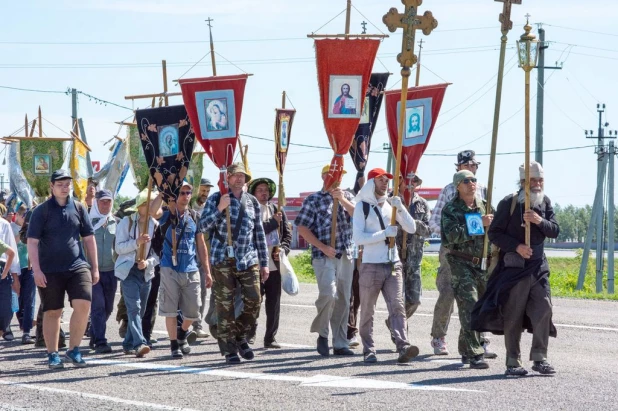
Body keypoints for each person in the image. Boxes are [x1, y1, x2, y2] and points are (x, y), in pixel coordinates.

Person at [473, 161, 559, 376]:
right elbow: (495, 233)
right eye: (533, 180)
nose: (537, 184)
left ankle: (540, 358)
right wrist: (517, 246)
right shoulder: (509, 203)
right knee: (513, 314)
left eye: (540, 180)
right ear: (523, 182)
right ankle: (513, 361)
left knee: (544, 309)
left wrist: (539, 221)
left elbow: (555, 231)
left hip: (538, 267)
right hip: (514, 268)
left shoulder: (545, 202)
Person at [27, 169, 99, 369]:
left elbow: (89, 238)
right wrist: (37, 271)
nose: (64, 187)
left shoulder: (78, 207)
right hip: (49, 269)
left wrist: (95, 268)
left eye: (67, 183)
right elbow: (32, 242)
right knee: (53, 311)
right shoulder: (41, 211)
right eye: (60, 184)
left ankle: (74, 350)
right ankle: (52, 354)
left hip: (77, 265)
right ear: (51, 186)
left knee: (84, 304)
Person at [427, 149, 495, 358]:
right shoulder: (449, 191)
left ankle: (481, 339)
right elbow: (435, 222)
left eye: (475, 167)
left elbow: (491, 218)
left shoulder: (484, 190)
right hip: (453, 251)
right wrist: (458, 231)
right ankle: (439, 336)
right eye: (468, 166)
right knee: (448, 293)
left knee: (481, 295)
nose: (472, 173)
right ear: (459, 168)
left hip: (480, 250)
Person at [199, 163, 268, 364]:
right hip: (223, 258)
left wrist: (264, 263)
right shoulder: (216, 198)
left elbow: (259, 233)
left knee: (254, 299)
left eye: (242, 176)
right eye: (235, 175)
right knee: (225, 306)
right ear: (227, 178)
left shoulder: (252, 202)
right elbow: (202, 226)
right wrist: (221, 208)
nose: (239, 179)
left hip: (248, 258)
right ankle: (229, 348)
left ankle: (239, 336)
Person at [352, 168, 420, 363]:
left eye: (387, 180)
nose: (385, 183)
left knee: (397, 306)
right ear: (372, 182)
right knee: (367, 310)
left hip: (392, 264)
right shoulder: (361, 207)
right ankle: (369, 350)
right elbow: (358, 238)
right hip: (370, 265)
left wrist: (401, 208)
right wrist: (384, 234)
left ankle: (403, 346)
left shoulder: (391, 205)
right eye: (381, 180)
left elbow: (411, 228)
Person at [295, 165, 356, 357]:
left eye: (341, 176)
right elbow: (302, 227)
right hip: (324, 255)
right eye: (334, 175)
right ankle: (322, 333)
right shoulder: (313, 200)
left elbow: (359, 216)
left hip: (346, 254)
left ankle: (340, 343)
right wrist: (322, 246)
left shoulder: (349, 196)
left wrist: (342, 199)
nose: (338, 179)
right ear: (324, 177)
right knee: (329, 294)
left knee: (344, 300)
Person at [149, 181, 211, 358]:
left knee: (194, 310)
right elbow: (153, 212)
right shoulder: (167, 214)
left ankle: (182, 332)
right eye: (182, 193)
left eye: (188, 192)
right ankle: (174, 344)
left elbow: (201, 245)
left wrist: (207, 271)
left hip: (191, 268)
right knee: (170, 309)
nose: (185, 196)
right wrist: (163, 193)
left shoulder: (195, 216)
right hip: (169, 268)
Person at [441, 170, 494, 369]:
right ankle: (475, 353)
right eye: (466, 181)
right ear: (458, 186)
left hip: (481, 263)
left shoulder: (484, 206)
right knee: (469, 304)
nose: (472, 183)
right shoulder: (451, 209)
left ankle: (465, 348)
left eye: (474, 180)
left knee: (479, 308)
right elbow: (452, 236)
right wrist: (480, 224)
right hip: (460, 261)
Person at [248, 177, 292, 349]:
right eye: (260, 189)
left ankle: (270, 337)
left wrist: (283, 250)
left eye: (266, 189)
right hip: (255, 264)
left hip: (274, 265)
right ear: (253, 193)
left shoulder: (277, 209)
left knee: (274, 304)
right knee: (253, 301)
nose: (263, 192)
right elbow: (254, 230)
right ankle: (249, 334)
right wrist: (273, 222)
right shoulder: (250, 209)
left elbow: (287, 235)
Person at [115, 188, 159, 357]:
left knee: (140, 311)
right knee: (134, 308)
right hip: (129, 271)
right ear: (140, 205)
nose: (151, 207)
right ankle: (140, 343)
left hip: (145, 272)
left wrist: (147, 262)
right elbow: (119, 247)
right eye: (148, 204)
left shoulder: (154, 225)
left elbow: (158, 253)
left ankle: (127, 343)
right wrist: (137, 242)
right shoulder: (126, 222)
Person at [87, 189, 118, 353]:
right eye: (102, 201)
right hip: (91, 271)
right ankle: (100, 341)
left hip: (111, 271)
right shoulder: (87, 222)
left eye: (108, 201)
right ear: (96, 203)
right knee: (98, 306)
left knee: (108, 308)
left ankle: (93, 333)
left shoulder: (116, 222)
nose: (105, 204)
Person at [190, 178, 215, 338]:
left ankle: (197, 325)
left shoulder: (210, 208)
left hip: (204, 255)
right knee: (189, 292)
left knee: (203, 291)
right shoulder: (189, 207)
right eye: (203, 190)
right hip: (188, 255)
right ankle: (185, 323)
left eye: (207, 191)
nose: (205, 194)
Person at [12, 205, 36, 344]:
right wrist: (21, 233)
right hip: (15, 269)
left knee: (30, 300)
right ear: (20, 216)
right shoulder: (10, 227)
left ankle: (26, 332)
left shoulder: (32, 228)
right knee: (18, 301)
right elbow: (11, 245)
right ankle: (18, 324)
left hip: (29, 267)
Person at [0, 224, 18, 341]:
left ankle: (3, 329)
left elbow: (11, 253)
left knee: (5, 310)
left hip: (1, 273)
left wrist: (6, 272)